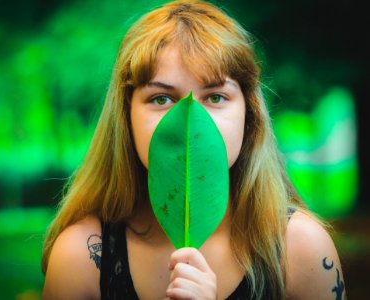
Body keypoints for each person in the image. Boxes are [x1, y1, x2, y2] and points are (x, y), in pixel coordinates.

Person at [41, 1, 346, 299]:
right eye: (161, 98)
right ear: (125, 116)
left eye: (215, 97)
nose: (191, 123)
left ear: (248, 115)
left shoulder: (302, 250)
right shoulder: (80, 257)